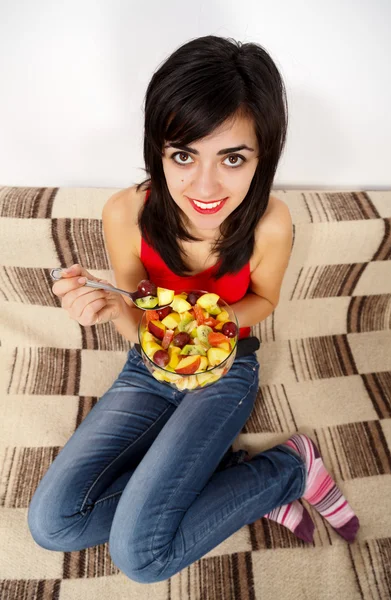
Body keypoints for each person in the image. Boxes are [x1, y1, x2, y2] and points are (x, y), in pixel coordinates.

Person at [27, 35, 359, 583]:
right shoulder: (125, 212)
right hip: (149, 367)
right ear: (157, 149)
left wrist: (211, 322)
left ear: (263, 156)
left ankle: (288, 468)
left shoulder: (271, 222)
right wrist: (113, 311)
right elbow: (139, 313)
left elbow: (264, 301)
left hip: (228, 367)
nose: (204, 186)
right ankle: (230, 479)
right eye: (183, 155)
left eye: (232, 158)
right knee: (53, 524)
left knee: (142, 557)